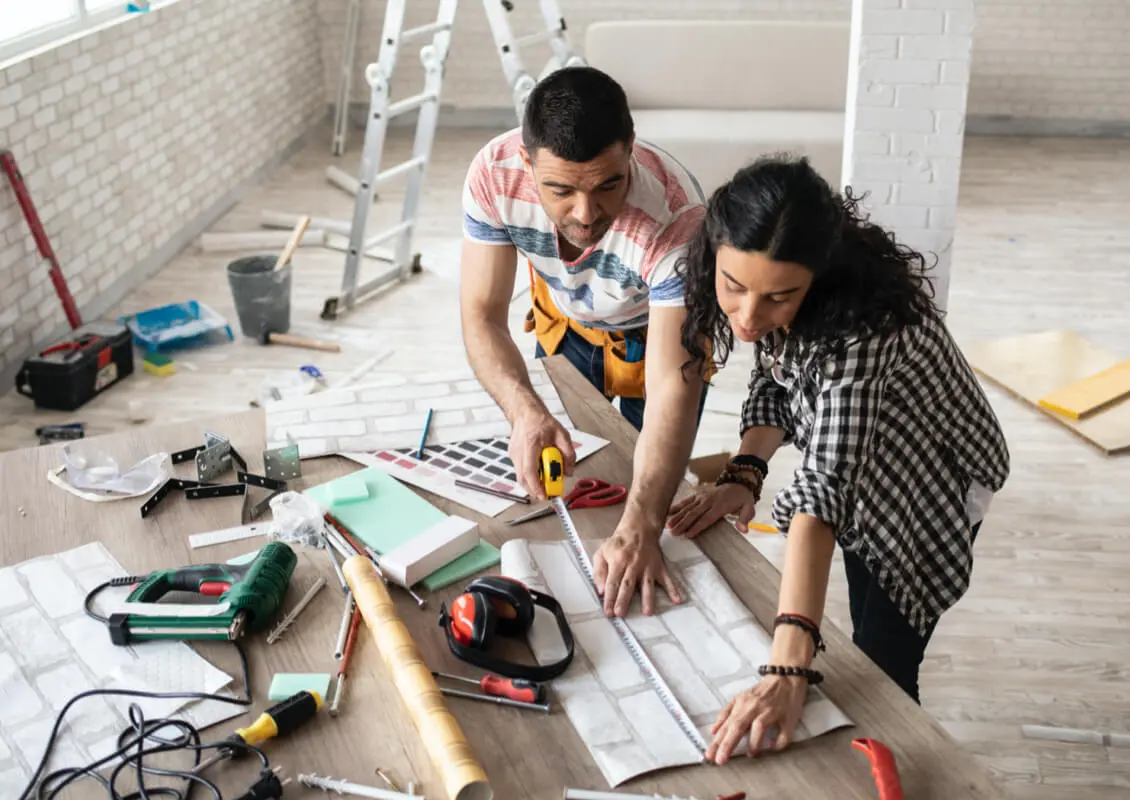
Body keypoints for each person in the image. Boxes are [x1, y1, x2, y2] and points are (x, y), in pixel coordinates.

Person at [666, 154, 1010, 764]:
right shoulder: (778, 296)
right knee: (857, 588)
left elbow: (824, 491)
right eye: (733, 287)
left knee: (885, 659)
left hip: (930, 471)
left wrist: (786, 667)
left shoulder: (863, 332)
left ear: (818, 279)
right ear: (714, 253)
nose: (748, 318)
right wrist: (745, 473)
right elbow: (777, 383)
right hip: (863, 460)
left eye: (778, 298)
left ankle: (900, 759)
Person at [459, 65, 711, 616]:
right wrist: (525, 411)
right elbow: (481, 315)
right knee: (567, 475)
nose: (586, 213)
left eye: (607, 185)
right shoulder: (495, 173)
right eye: (561, 189)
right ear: (527, 164)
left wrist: (644, 526)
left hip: (656, 334)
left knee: (650, 494)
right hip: (566, 318)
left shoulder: (679, 219)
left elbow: (674, 386)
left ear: (631, 153)